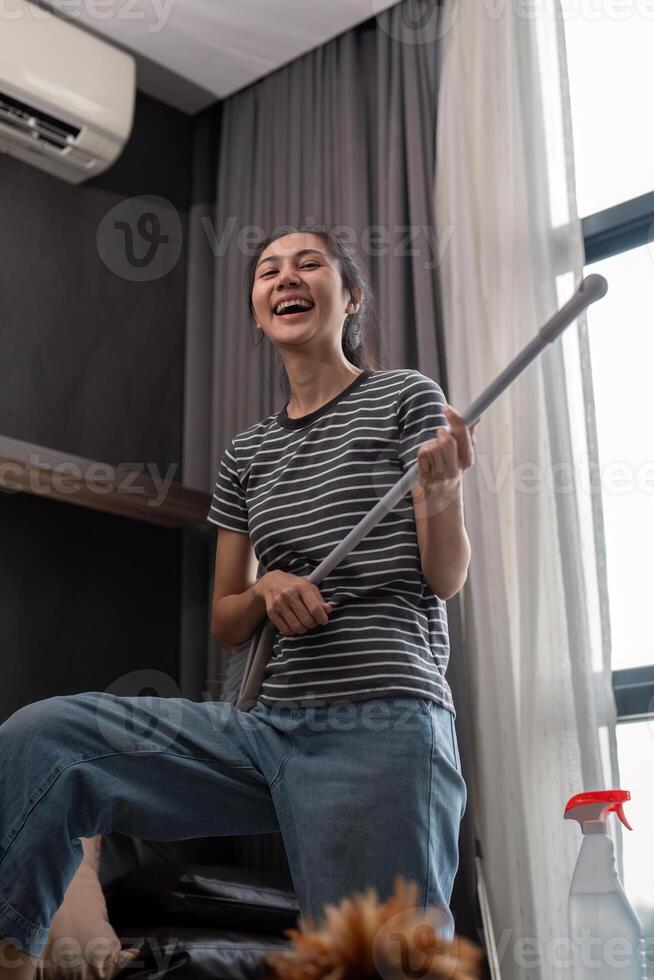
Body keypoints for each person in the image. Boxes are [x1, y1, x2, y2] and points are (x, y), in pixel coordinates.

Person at [0, 224, 477, 980]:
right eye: (267, 272)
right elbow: (227, 619)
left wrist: (444, 492)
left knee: (372, 963)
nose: (285, 279)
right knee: (46, 737)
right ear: (257, 312)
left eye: (309, 265)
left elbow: (445, 578)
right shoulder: (247, 453)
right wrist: (267, 588)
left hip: (380, 724)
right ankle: (14, 952)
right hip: (263, 731)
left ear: (350, 297)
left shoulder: (405, 398)